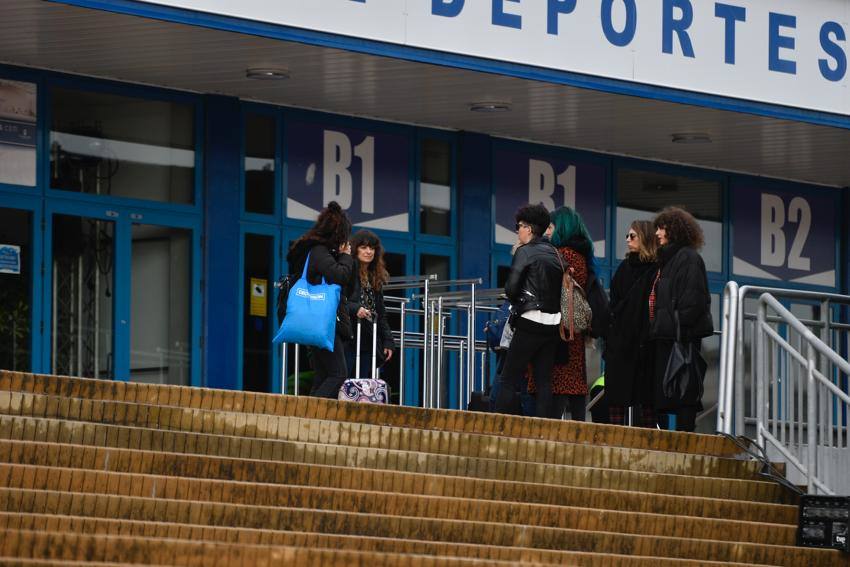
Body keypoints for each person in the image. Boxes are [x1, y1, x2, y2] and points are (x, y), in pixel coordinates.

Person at [493, 204, 562, 418]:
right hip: (552, 324)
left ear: (529, 229)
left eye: (519, 226)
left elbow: (511, 289)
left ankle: (498, 427)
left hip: (530, 320)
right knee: (543, 381)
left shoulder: (525, 252)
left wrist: (519, 300)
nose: (517, 230)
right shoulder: (555, 253)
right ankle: (543, 432)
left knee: (508, 377)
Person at [649, 206, 713, 432]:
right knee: (665, 391)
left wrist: (678, 324)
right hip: (667, 336)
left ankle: (685, 439)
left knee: (685, 390)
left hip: (681, 338)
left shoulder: (688, 259)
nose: (657, 233)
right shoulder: (667, 261)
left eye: (661, 228)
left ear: (674, 230)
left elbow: (694, 299)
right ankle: (666, 440)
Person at [528, 206, 594, 421]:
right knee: (573, 386)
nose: (547, 232)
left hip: (559, 332)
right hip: (572, 332)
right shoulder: (581, 257)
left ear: (561, 228)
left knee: (557, 386)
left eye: (551, 227)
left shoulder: (562, 256)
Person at [286, 201, 355, 399]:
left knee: (323, 375)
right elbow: (339, 276)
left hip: (318, 320)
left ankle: (309, 421)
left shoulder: (318, 252)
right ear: (338, 233)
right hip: (323, 321)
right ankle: (309, 415)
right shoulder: (319, 252)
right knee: (338, 374)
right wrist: (346, 257)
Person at [605, 220, 658, 427]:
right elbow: (614, 302)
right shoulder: (624, 267)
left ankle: (650, 442)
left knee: (647, 398)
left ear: (644, 238)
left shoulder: (655, 269)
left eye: (632, 236)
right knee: (617, 395)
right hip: (621, 341)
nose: (627, 240)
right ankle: (616, 441)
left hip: (645, 342)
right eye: (627, 236)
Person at [345, 229, 396, 377]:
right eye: (364, 247)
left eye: (372, 248)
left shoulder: (374, 275)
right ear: (355, 249)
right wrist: (355, 308)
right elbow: (338, 299)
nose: (368, 251)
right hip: (349, 337)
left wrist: (388, 340)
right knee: (343, 383)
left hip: (368, 338)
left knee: (362, 387)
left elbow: (380, 312)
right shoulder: (348, 269)